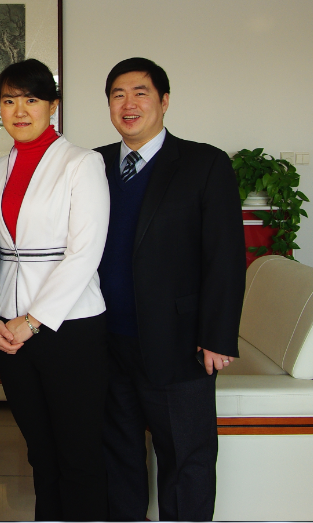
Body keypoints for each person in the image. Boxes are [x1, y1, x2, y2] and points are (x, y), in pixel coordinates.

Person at [95, 57, 245, 521]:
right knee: (116, 454)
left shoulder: (204, 163)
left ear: (163, 101)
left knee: (186, 456)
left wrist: (218, 336)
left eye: (140, 93)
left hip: (178, 342)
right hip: (104, 340)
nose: (129, 104)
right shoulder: (93, 164)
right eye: (118, 95)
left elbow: (225, 256)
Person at [0, 59, 110, 522]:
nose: (19, 110)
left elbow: (85, 252)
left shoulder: (82, 163)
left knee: (79, 453)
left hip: (69, 328)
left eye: (31, 99)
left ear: (52, 106)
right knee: (40, 450)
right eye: (9, 100)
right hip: (10, 332)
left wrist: (32, 321)